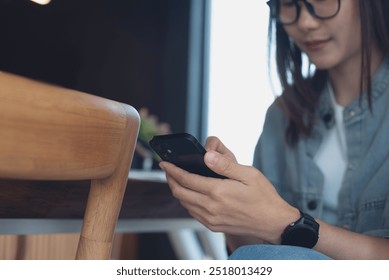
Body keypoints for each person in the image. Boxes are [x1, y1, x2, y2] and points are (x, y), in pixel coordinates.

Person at [160, 0, 389, 259]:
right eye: (290, 4)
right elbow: (253, 250)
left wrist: (289, 222)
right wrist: (233, 213)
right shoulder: (283, 114)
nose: (305, 22)